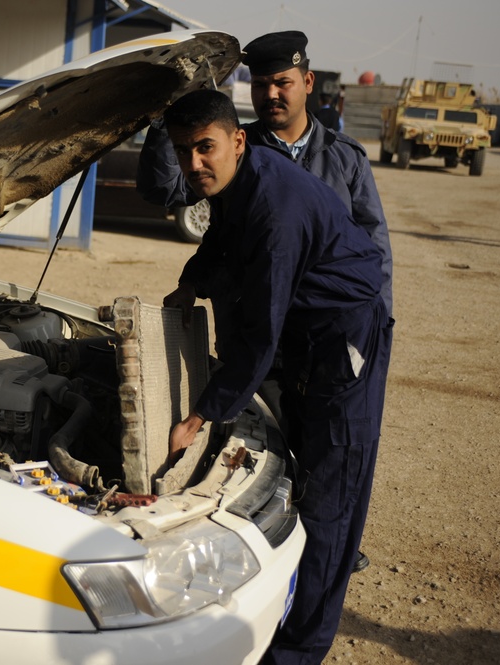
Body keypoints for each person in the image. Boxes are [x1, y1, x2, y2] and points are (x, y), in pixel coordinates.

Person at [138, 30, 392, 575]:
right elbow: (212, 226)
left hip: (319, 334)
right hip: (264, 336)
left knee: (327, 457)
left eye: (283, 82)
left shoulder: (340, 159)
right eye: (261, 83)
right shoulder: (230, 147)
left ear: (306, 83)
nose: (272, 93)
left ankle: (322, 556)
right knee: (272, 452)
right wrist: (192, 281)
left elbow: (372, 250)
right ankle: (283, 538)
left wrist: (369, 337)